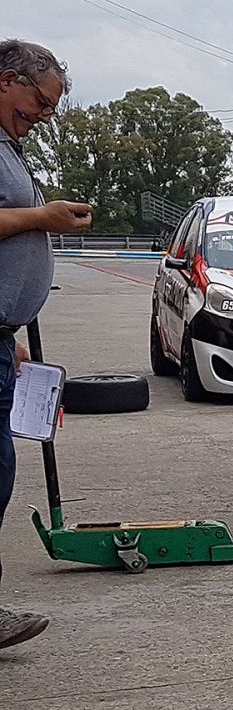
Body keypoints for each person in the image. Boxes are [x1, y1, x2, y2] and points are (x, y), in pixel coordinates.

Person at [0, 40, 91, 649]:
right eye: (39, 102)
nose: (43, 117)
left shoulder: (11, 149)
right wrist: (41, 218)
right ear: (8, 80)